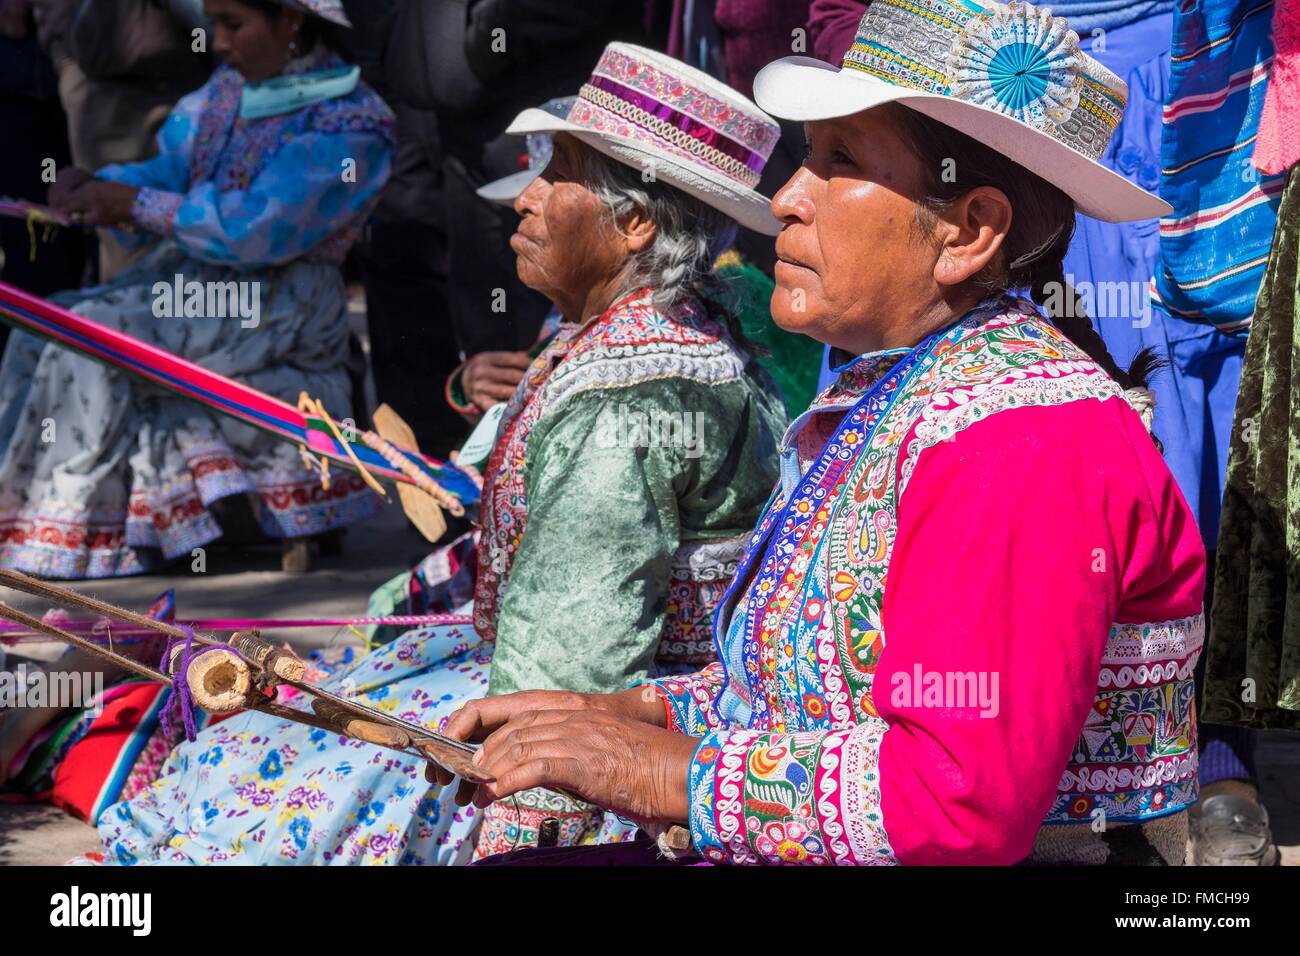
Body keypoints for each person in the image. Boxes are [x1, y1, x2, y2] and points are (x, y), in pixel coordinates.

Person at [433, 0, 1208, 866]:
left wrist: (660, 769)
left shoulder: (1023, 444)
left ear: (970, 231)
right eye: (807, 157)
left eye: (839, 162)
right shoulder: (910, 391)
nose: (789, 198)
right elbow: (833, 691)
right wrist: (636, 714)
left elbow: (958, 804)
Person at [98, 43, 789, 864]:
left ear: (634, 224)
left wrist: (522, 826)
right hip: (566, 668)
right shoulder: (660, 328)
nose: (523, 200)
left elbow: (571, 650)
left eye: (557, 173)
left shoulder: (626, 403)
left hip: (585, 708)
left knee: (247, 796)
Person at [0, 0, 394, 580]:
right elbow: (169, 173)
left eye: (234, 24)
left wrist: (135, 205)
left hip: (279, 300)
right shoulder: (222, 97)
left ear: (290, 20)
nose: (216, 43)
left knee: (89, 342)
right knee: (45, 324)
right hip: (198, 281)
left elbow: (263, 228)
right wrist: (103, 186)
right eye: (213, 23)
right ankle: (21, 518)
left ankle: (66, 537)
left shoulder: (352, 123)